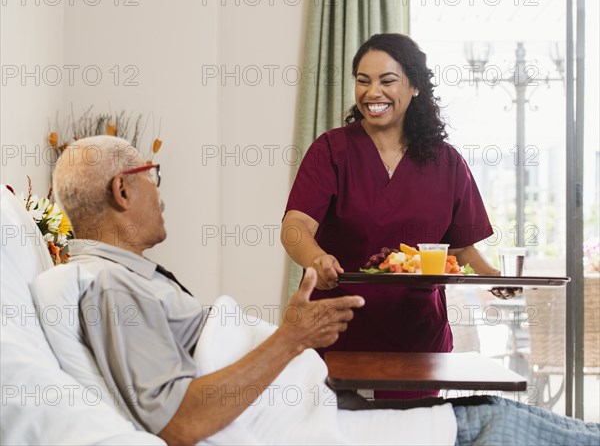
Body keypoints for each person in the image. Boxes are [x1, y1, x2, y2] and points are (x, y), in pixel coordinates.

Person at [45, 136, 598, 446]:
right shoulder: (107, 289)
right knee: (495, 421)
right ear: (122, 189)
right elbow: (183, 422)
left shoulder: (128, 279)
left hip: (329, 397)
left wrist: (289, 333)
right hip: (313, 419)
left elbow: (468, 244)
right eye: (152, 175)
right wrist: (290, 338)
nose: (160, 193)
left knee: (488, 410)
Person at [281, 33, 517, 399]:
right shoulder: (330, 150)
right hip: (337, 328)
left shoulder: (447, 162)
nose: (373, 92)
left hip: (416, 336)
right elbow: (295, 226)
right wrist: (317, 259)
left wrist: (493, 278)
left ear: (415, 87)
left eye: (387, 81)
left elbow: (461, 250)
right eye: (363, 80)